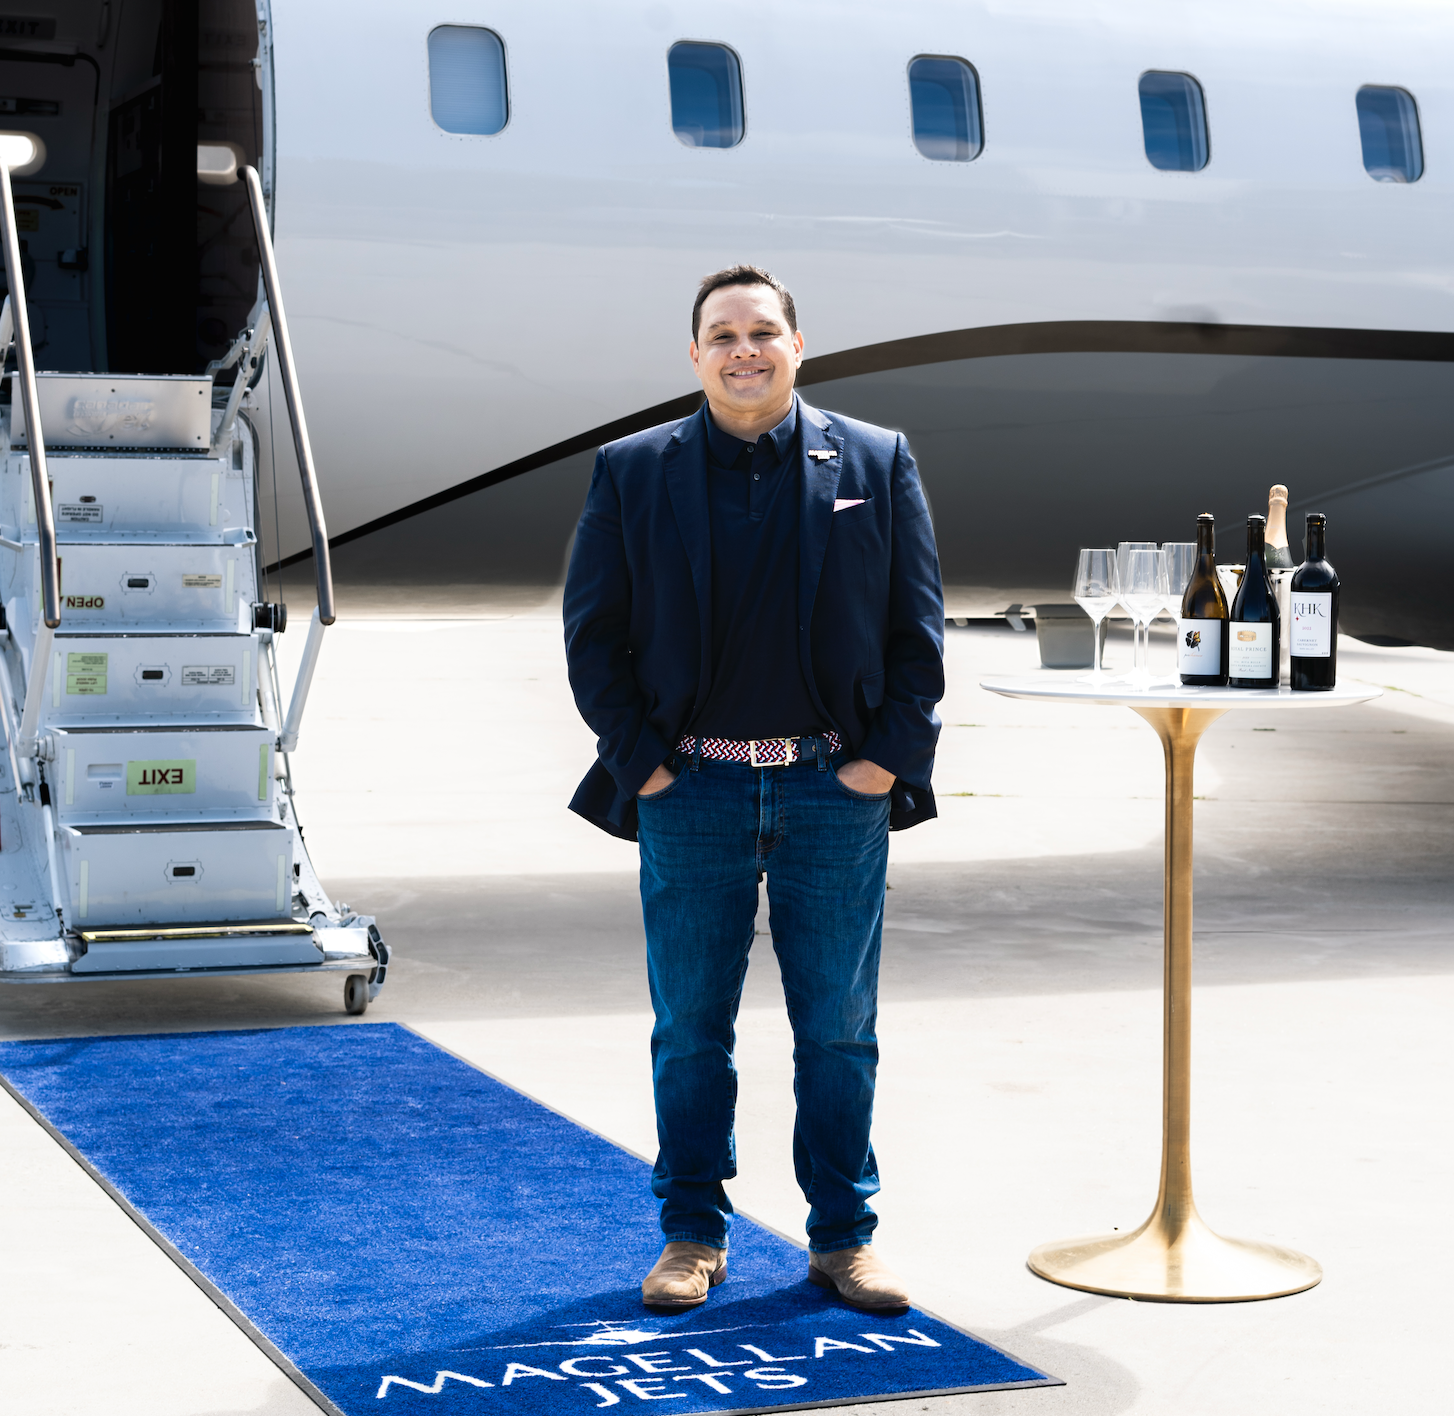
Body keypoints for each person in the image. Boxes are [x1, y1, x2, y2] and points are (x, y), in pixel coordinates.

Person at [563, 265, 944, 1314]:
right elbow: (593, 636)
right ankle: (691, 1234)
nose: (744, 350)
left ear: (796, 345)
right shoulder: (631, 470)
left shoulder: (875, 460)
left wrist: (883, 761)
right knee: (690, 1028)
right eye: (723, 335)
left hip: (832, 791)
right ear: (694, 355)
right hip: (692, 791)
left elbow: (916, 630)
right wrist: (642, 764)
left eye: (763, 332)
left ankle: (844, 1238)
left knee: (838, 1028)